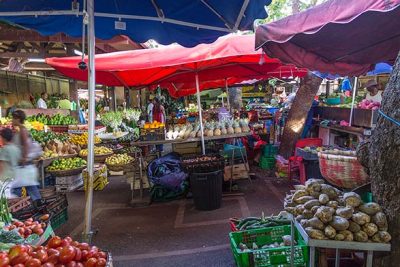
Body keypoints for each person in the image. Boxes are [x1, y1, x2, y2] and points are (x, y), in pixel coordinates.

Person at [11, 110, 43, 207]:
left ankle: (21, 207)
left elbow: (25, 145)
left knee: (16, 188)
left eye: (13, 118)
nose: (11, 120)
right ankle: (38, 206)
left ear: (18, 119)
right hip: (26, 165)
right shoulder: (21, 130)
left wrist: (23, 160)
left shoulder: (23, 130)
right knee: (31, 187)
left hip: (24, 165)